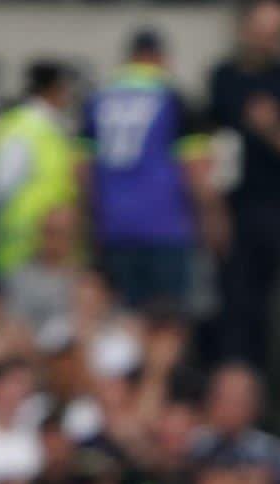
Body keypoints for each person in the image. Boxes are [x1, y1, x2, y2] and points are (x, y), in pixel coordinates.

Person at [78, 29, 215, 312]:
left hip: (114, 228)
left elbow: (82, 171)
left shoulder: (98, 100)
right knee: (168, 321)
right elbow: (196, 172)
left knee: (124, 320)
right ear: (159, 57)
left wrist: (91, 221)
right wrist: (212, 218)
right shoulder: (174, 98)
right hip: (166, 229)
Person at [208, 0, 280, 369]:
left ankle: (255, 391)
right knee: (230, 301)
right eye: (262, 32)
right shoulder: (223, 77)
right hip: (230, 204)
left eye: (276, 35)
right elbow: (208, 145)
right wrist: (212, 209)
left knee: (265, 306)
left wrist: (272, 128)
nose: (268, 41)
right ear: (245, 29)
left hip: (271, 205)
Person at [0, 60, 78, 278]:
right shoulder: (24, 128)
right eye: (65, 89)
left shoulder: (47, 127)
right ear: (53, 90)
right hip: (22, 251)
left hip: (48, 249)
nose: (68, 96)